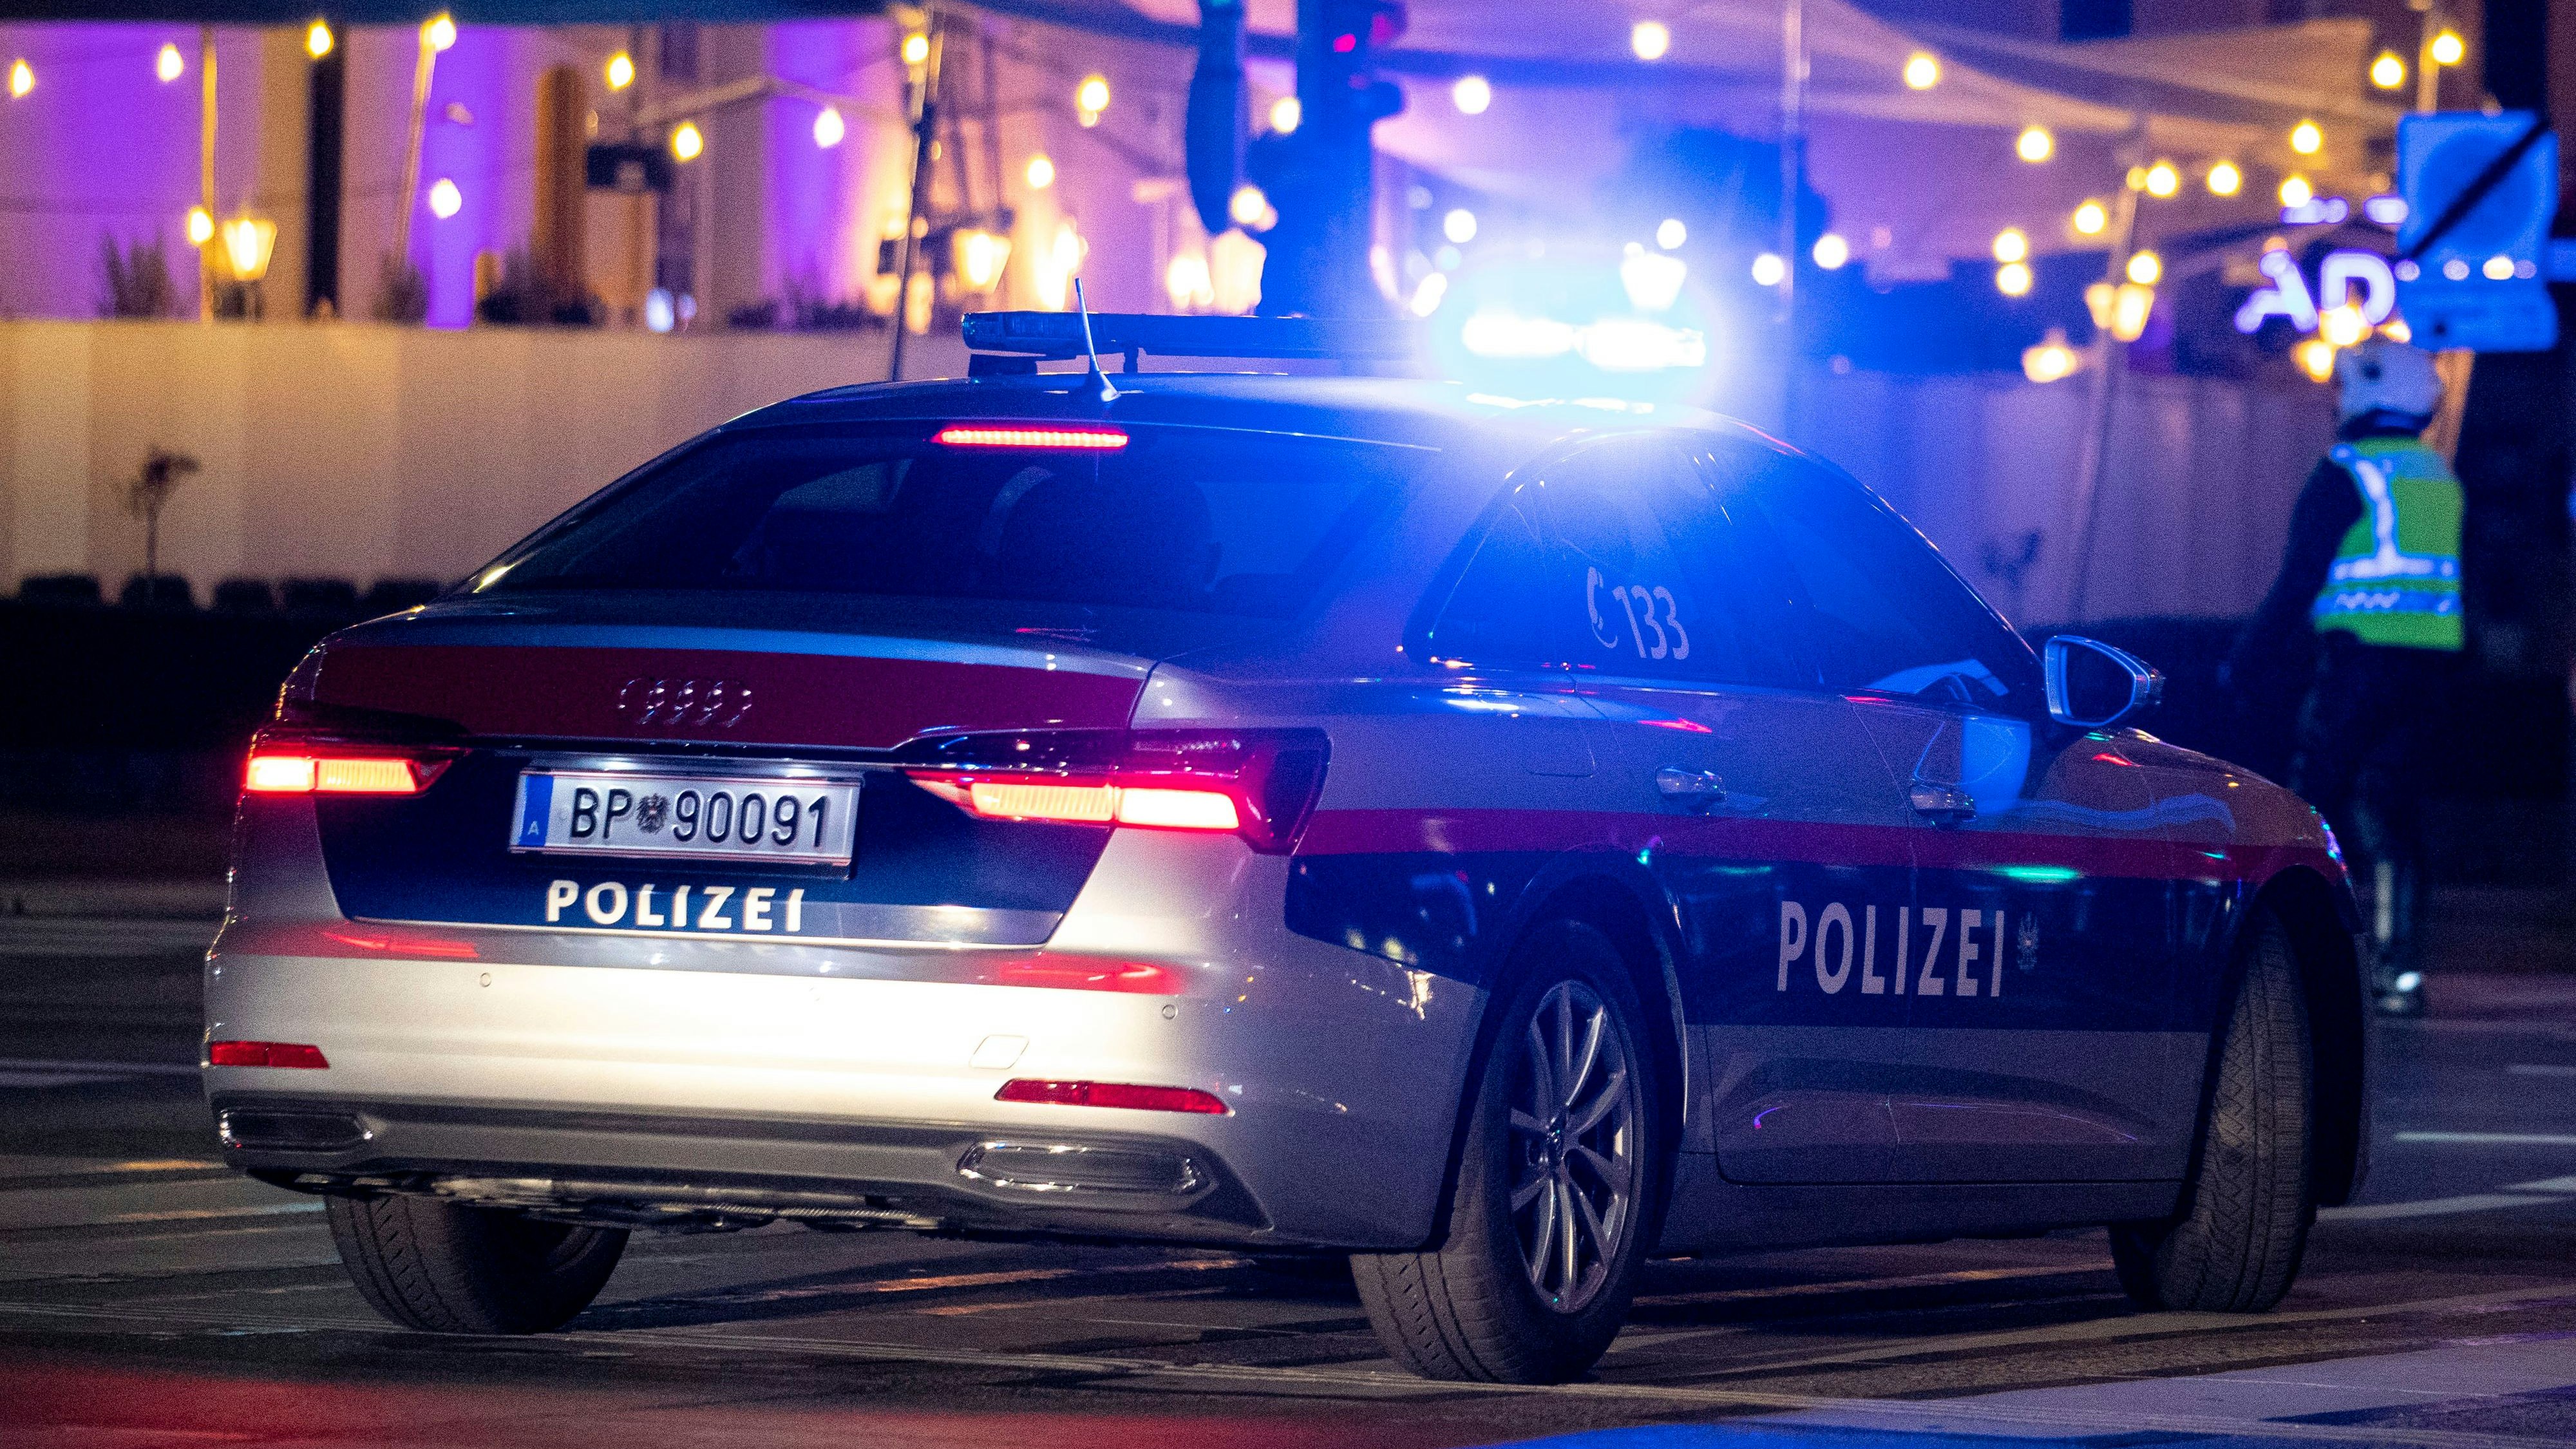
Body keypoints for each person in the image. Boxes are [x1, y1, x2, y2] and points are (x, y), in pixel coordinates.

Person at [2228, 337, 2459, 1016]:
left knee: (2312, 810)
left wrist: (2248, 657)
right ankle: (2401, 973)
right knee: (2392, 812)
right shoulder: (2435, 475)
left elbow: (2299, 576)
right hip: (2426, 671)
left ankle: (2304, 962)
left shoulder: (2345, 470)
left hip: (2357, 663)